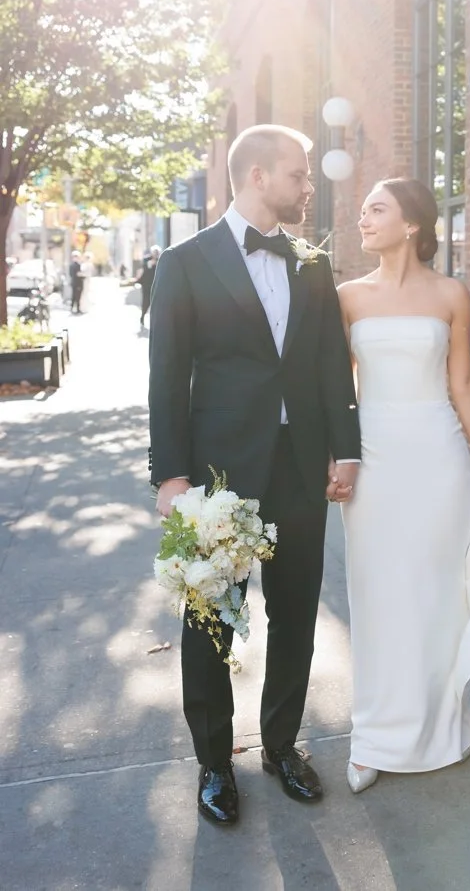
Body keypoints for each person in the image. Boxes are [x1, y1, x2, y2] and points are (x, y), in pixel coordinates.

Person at [147, 125, 361, 825]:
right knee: (212, 616)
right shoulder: (184, 262)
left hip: (302, 467)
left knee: (295, 611)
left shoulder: (311, 261)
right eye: (299, 174)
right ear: (259, 175)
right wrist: (171, 476)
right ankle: (214, 762)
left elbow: (331, 361)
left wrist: (345, 446)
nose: (309, 186)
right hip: (218, 472)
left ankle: (281, 744)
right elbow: (166, 379)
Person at [333, 177, 470, 793]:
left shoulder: (452, 294)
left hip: (436, 456)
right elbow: (338, 391)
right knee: (378, 592)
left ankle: (442, 722)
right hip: (373, 457)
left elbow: (462, 383)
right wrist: (337, 457)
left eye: (375, 210)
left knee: (437, 590)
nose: (363, 220)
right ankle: (375, 736)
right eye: (362, 212)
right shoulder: (347, 296)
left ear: (411, 223)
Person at [137, 248, 160, 332]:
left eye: (157, 253)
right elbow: (144, 268)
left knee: (155, 304)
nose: (155, 254)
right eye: (154, 252)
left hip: (155, 285)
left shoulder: (160, 259)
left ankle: (154, 322)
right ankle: (142, 316)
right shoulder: (147, 259)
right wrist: (150, 264)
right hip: (146, 285)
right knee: (146, 302)